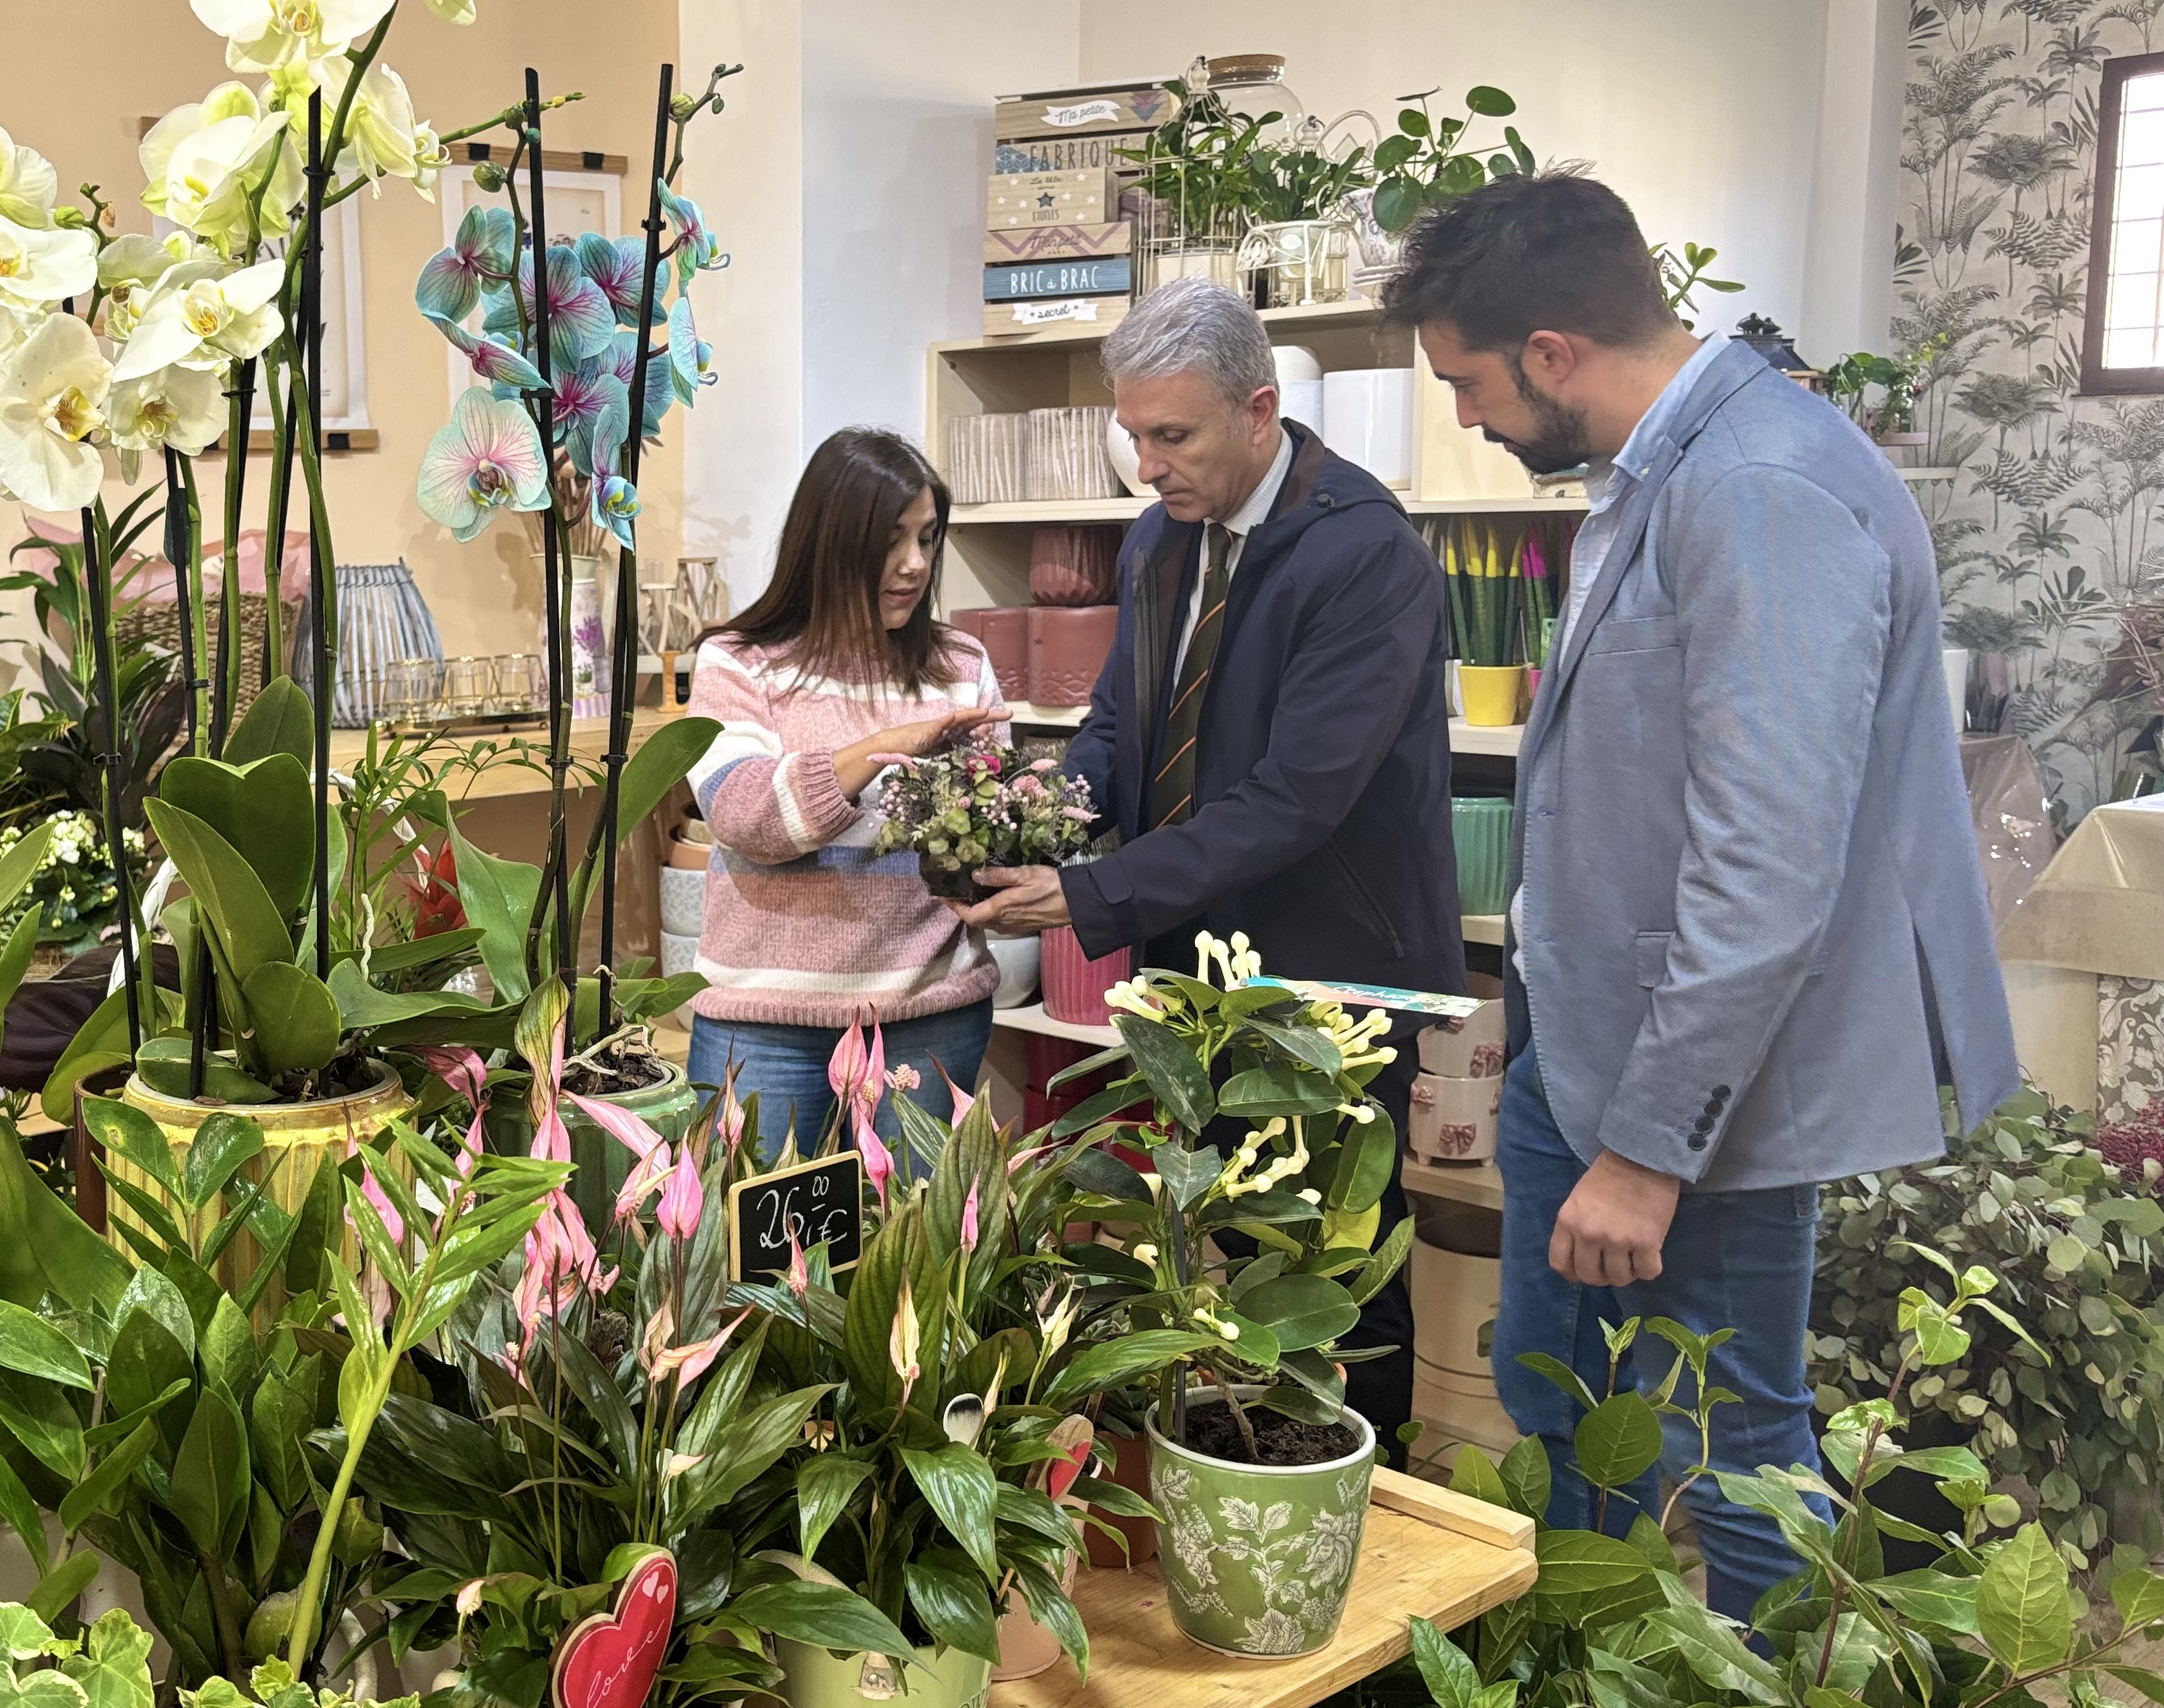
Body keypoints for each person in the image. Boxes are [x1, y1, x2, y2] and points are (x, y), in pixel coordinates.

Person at [1381, 173, 2014, 1623]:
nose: (1466, 417)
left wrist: (1649, 1147)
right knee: (1569, 1414)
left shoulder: (1758, 489)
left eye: (1467, 383)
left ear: (1550, 351)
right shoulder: (1671, 466)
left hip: (1706, 1092)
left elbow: (1767, 864)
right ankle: (1581, 1676)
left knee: (1739, 1452)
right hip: (1588, 1051)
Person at [955, 276, 1461, 1456]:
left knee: (1331, 1261)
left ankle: (1363, 1514)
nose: (1146, 464)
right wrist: (1049, 819)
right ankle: (1231, 1485)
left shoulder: (1368, 557)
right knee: (1210, 1236)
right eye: (1132, 434)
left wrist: (1090, 894)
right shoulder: (1159, 540)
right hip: (1198, 956)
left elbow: (1297, 800)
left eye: (1170, 435)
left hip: (1333, 982)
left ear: (1260, 410)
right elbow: (1126, 723)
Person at [681, 426, 1013, 1157]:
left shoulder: (960, 666)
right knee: (752, 1261)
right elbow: (743, 815)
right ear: (830, 543)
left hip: (928, 1019)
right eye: (891, 540)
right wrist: (879, 752)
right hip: (762, 1025)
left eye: (927, 538)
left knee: (917, 1260)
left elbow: (988, 831)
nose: (914, 564)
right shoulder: (738, 664)